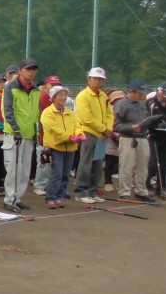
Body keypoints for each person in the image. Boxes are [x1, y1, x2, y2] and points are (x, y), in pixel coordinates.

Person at [2, 58, 41, 213]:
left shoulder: (35, 89)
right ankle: (9, 199)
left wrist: (36, 131)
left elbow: (35, 112)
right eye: (28, 69)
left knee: (24, 169)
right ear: (20, 70)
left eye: (33, 69)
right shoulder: (10, 87)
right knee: (13, 169)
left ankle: (18, 198)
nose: (31, 72)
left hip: (29, 133)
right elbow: (8, 110)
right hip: (14, 134)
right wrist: (15, 129)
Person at [40, 86, 85, 209]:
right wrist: (69, 136)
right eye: (60, 95)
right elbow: (52, 128)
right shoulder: (47, 113)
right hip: (55, 147)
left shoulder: (69, 113)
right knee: (57, 173)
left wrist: (79, 134)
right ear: (53, 97)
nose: (63, 98)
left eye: (65, 95)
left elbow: (77, 125)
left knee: (65, 174)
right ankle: (50, 198)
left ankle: (58, 197)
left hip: (70, 148)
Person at [73, 67, 113, 204]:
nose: (98, 81)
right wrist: (104, 129)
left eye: (101, 79)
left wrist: (107, 129)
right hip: (88, 133)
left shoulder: (103, 96)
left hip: (102, 135)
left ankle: (92, 191)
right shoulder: (83, 96)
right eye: (95, 78)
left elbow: (109, 114)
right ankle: (81, 192)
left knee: (97, 164)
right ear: (89, 79)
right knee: (85, 163)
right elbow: (86, 118)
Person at [113, 80, 154, 199]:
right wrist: (131, 127)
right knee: (127, 166)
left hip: (142, 137)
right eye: (140, 92)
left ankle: (141, 190)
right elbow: (116, 125)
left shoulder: (142, 104)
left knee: (143, 166)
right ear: (133, 91)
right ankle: (124, 192)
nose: (143, 95)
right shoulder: (121, 104)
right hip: (128, 138)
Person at [146, 82, 166, 198]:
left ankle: (161, 187)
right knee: (153, 163)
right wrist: (155, 125)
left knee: (165, 164)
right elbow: (146, 120)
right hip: (152, 136)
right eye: (164, 93)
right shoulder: (150, 103)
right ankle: (147, 185)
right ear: (159, 91)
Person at [32, 75, 62, 196]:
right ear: (46, 85)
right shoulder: (44, 97)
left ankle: (44, 184)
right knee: (44, 161)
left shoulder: (54, 98)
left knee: (49, 162)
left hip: (52, 134)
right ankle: (39, 185)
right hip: (43, 133)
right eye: (52, 85)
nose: (54, 87)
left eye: (56, 85)